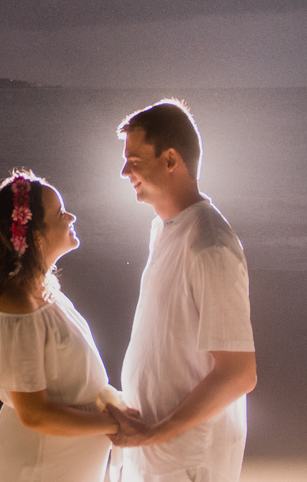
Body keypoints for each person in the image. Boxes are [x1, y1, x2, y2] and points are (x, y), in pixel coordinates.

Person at [107, 100, 256, 482]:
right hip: (154, 454)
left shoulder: (211, 246)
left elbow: (238, 374)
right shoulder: (164, 229)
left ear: (171, 159)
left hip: (188, 461)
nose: (125, 171)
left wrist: (157, 432)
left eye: (135, 160)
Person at [0, 171, 119, 482]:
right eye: (60, 213)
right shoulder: (18, 304)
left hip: (59, 466)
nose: (71, 216)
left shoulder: (45, 291)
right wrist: (113, 425)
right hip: (35, 470)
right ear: (35, 236)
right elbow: (33, 413)